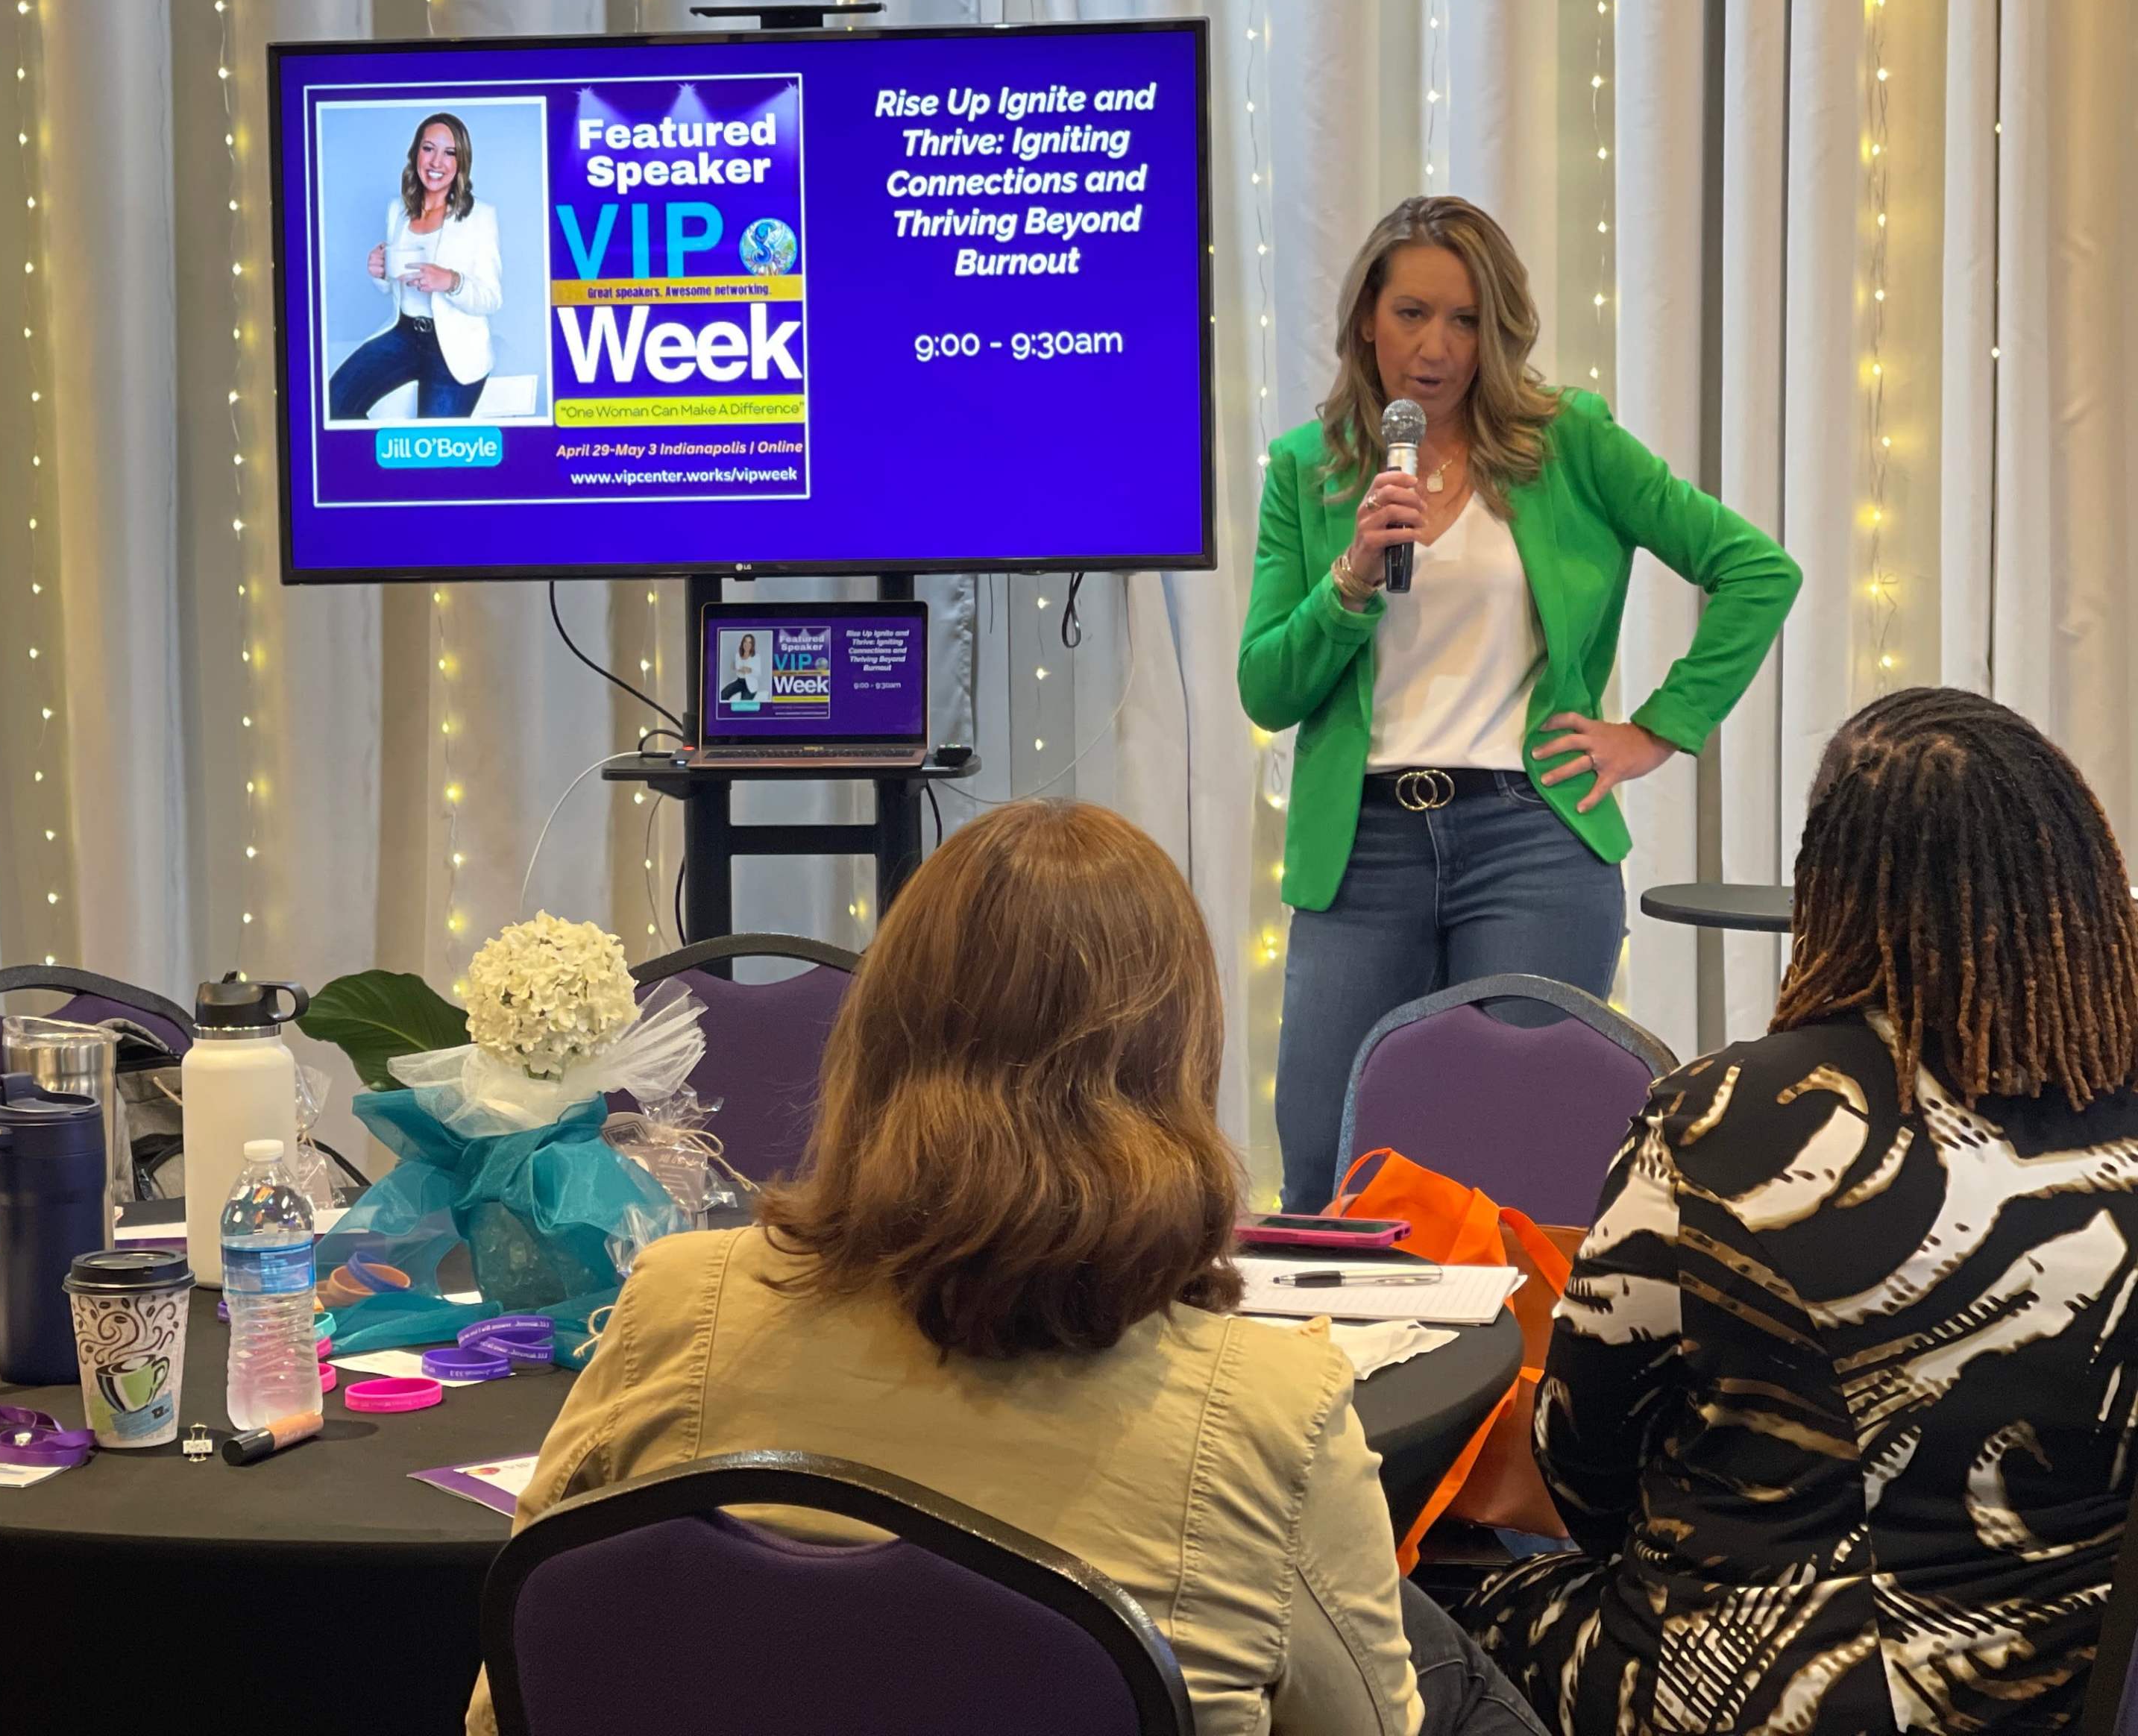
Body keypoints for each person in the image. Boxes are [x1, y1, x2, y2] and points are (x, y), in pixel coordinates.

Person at [467, 799, 1543, 1736]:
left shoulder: (676, 1300)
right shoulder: (1276, 1411)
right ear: (1179, 1060)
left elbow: (510, 1696)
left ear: (879, 1035)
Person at [1459, 688, 2138, 1736]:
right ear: (2080, 881)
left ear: (1833, 889)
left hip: (1759, 1694)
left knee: (1428, 1618)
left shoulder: (1721, 1118)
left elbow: (1584, 1476)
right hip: (2058, 1693)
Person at [1239, 197, 1799, 1210]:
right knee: (1329, 1162)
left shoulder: (1567, 442)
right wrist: (1354, 580)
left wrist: (1657, 730)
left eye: (1466, 321)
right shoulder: (1306, 471)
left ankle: (1538, 1371)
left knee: (1522, 1167)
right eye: (1413, 312)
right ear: (1367, 315)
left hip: (1530, 843)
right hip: (1357, 850)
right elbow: (1267, 686)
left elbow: (1756, 571)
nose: (1437, 347)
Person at [325, 110, 506, 421]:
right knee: (335, 401)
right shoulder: (397, 210)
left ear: (461, 162)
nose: (437, 162)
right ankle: (369, 471)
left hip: (455, 346)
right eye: (428, 148)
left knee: (434, 450)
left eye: (449, 153)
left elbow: (492, 298)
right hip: (404, 335)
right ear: (416, 153)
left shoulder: (481, 216)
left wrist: (451, 281)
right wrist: (379, 272)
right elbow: (392, 286)